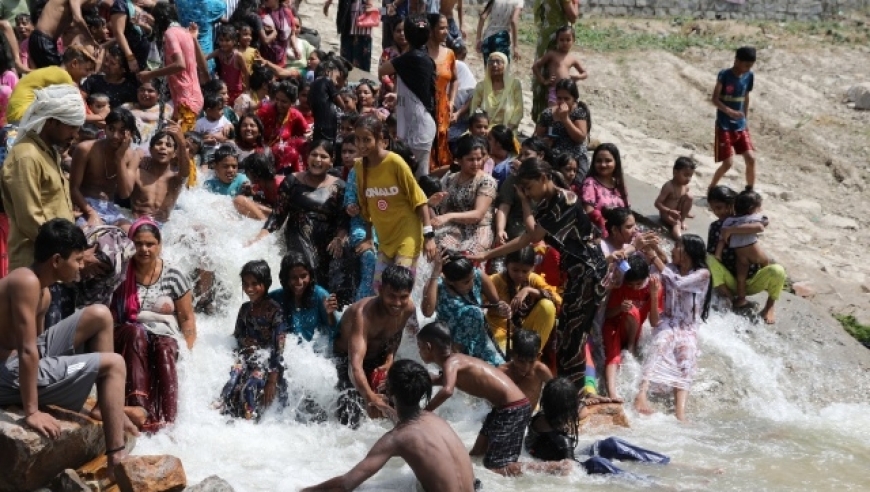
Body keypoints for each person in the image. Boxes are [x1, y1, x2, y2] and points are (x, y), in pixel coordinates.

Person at [0, 219, 133, 478]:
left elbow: (38, 347)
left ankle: (102, 407)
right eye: (78, 260)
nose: (82, 266)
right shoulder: (25, 282)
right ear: (57, 260)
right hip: (5, 372)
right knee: (115, 363)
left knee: (100, 314)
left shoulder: (44, 290)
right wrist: (32, 411)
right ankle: (116, 456)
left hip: (17, 363)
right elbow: (29, 352)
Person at [470, 159, 608, 394]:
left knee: (573, 337)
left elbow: (531, 237)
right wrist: (524, 202)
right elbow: (530, 232)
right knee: (566, 335)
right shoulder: (547, 204)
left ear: (544, 179)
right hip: (576, 274)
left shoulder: (564, 201)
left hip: (589, 273)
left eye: (528, 186)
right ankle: (572, 393)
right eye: (522, 188)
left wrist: (487, 253)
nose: (526, 192)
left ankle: (575, 394)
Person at [301, 360, 478, 492]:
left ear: (390, 390)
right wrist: (385, 408)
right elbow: (408, 424)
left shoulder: (396, 439)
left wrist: (302, 490)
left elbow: (345, 485)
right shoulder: (437, 421)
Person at [419, 320, 552, 477]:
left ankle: (553, 468)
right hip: (503, 408)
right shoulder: (455, 361)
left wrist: (424, 413)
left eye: (419, 347)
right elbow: (441, 381)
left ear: (428, 347)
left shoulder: (452, 362)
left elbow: (447, 390)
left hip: (513, 409)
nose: (419, 351)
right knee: (476, 455)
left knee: (497, 467)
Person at [111, 217, 197, 432]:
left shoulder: (174, 275)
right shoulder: (120, 272)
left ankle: (167, 422)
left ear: (159, 245)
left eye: (150, 244)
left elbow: (186, 318)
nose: (144, 249)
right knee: (136, 333)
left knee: (164, 348)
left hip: (163, 333)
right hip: (127, 333)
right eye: (138, 243)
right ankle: (138, 408)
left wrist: (188, 350)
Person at [250, 140, 355, 305]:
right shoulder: (292, 181)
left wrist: (340, 239)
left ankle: (332, 310)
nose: (318, 160)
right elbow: (278, 214)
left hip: (327, 240)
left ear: (331, 161)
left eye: (323, 156)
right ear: (307, 157)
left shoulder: (340, 186)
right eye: (314, 155)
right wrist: (261, 235)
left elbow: (343, 220)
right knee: (306, 268)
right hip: (298, 234)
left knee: (337, 268)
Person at [1, 84, 84, 270]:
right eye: (71, 127)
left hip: (56, 264)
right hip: (35, 264)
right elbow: (30, 219)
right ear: (52, 121)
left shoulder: (49, 152)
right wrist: (68, 251)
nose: (75, 135)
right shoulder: (27, 156)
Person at [351, 115, 437, 290]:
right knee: (379, 289)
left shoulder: (395, 162)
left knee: (400, 286)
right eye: (357, 139)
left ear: (380, 139)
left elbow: (420, 200)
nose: (361, 145)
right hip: (385, 237)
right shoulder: (359, 167)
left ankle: (410, 317)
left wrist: (429, 237)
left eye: (366, 140)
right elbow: (365, 205)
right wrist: (368, 238)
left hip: (407, 232)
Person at [634, 234, 711, 422]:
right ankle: (641, 393)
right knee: (660, 344)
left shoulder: (702, 274)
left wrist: (655, 257)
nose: (673, 249)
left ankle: (680, 412)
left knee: (688, 354)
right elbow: (652, 274)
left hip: (688, 327)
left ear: (688, 253)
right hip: (667, 320)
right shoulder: (670, 268)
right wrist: (651, 251)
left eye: (677, 246)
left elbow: (677, 282)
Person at [333, 264, 417, 427]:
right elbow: (354, 366)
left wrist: (390, 358)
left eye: (403, 297)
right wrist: (370, 397)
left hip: (379, 355)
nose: (397, 303)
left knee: (400, 404)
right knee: (350, 418)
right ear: (380, 289)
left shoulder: (408, 309)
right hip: (347, 358)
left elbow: (396, 333)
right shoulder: (363, 315)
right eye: (391, 296)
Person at [217, 260, 287, 421]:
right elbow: (237, 336)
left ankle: (251, 421)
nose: (249, 289)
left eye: (255, 284)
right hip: (247, 357)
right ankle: (222, 419)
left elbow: (279, 348)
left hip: (266, 362)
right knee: (231, 381)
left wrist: (272, 380)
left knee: (250, 388)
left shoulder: (275, 311)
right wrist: (244, 342)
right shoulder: (245, 309)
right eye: (245, 284)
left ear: (266, 283)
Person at [706, 186, 784, 325]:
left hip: (751, 279)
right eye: (714, 209)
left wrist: (732, 230)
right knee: (707, 259)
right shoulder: (715, 227)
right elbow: (713, 253)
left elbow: (763, 223)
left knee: (777, 270)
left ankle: (769, 306)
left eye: (720, 207)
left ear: (732, 204)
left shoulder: (748, 219)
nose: (718, 212)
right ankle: (730, 297)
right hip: (729, 280)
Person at [422, 251, 507, 366]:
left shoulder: (478, 275)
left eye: (472, 278)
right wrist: (435, 274)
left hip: (477, 342)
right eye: (466, 282)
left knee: (503, 368)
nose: (472, 284)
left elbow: (496, 305)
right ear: (449, 281)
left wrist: (504, 309)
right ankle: (453, 360)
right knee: (473, 312)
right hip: (449, 344)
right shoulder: (438, 284)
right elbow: (427, 312)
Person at [378, 16, 436, 176]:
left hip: (419, 129)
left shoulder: (410, 57)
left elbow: (382, 70)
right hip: (418, 125)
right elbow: (418, 91)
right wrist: (399, 98)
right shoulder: (424, 56)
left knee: (413, 176)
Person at [69, 107, 141, 230]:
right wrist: (91, 213)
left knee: (133, 234)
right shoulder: (85, 149)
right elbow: (73, 188)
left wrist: (120, 159)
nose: (115, 136)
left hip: (110, 208)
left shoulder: (132, 156)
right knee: (93, 233)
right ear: (105, 128)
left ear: (131, 134)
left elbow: (125, 194)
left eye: (122, 131)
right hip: (84, 205)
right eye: (111, 129)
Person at [602, 254, 662, 400]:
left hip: (633, 330)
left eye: (638, 284)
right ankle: (612, 393)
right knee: (613, 355)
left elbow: (654, 323)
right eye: (630, 285)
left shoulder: (654, 287)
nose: (634, 288)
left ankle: (630, 347)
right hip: (614, 326)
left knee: (633, 311)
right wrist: (619, 308)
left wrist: (654, 296)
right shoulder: (620, 285)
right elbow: (608, 315)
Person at [139, 3, 203, 136]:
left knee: (182, 144)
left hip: (186, 100)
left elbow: (180, 64)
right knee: (174, 141)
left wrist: (150, 74)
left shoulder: (170, 33)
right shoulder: (185, 32)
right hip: (189, 98)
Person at [487, 247, 561, 352]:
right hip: (500, 331)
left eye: (525, 271)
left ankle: (533, 354)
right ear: (507, 265)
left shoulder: (533, 279)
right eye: (515, 270)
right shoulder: (494, 281)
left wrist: (529, 290)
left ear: (532, 268)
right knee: (505, 356)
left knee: (547, 305)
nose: (520, 275)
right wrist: (496, 305)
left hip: (525, 330)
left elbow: (558, 300)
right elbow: (475, 303)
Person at [433, 135, 497, 256]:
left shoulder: (486, 182)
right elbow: (439, 205)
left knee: (458, 259)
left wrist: (449, 216)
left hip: (476, 231)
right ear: (459, 160)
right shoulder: (450, 178)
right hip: (452, 227)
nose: (476, 163)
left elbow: (478, 215)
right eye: (470, 159)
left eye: (479, 159)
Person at [714, 190, 772, 314]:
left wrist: (718, 253)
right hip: (753, 250)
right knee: (765, 262)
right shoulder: (753, 218)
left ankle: (741, 299)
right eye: (758, 207)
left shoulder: (729, 221)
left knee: (741, 278)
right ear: (752, 208)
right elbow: (761, 226)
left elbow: (721, 240)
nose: (759, 210)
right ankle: (765, 284)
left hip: (740, 254)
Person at [6, 45, 96, 124]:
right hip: (22, 117)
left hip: (14, 116)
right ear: (74, 63)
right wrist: (100, 117)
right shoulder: (63, 76)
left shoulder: (53, 71)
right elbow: (78, 110)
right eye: (87, 70)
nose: (87, 75)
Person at [709, 46, 757, 192]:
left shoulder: (749, 76)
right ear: (736, 61)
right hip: (724, 125)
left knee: (751, 159)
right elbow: (715, 99)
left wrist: (745, 119)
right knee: (728, 163)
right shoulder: (724, 75)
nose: (748, 68)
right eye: (746, 65)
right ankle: (711, 188)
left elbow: (746, 97)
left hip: (740, 125)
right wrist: (729, 111)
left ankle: (749, 190)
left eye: (751, 66)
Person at [268, 252, 337, 350]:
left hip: (316, 355)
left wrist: (330, 314)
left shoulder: (320, 295)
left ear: (310, 276)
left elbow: (334, 330)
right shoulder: (275, 297)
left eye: (304, 276)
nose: (299, 282)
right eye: (293, 277)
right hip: (289, 354)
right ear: (285, 279)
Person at [128, 122, 190, 224]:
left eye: (168, 145)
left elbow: (185, 172)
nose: (163, 147)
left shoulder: (174, 179)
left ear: (174, 154)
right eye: (159, 143)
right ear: (150, 150)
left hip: (163, 226)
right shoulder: (138, 173)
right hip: (137, 223)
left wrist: (181, 142)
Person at [531, 0, 579, 121]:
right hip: (556, 36)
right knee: (554, 78)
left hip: (545, 36)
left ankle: (541, 123)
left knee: (546, 79)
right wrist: (576, 3)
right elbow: (573, 17)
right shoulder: (560, 44)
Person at [535, 78, 591, 176]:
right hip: (553, 157)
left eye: (566, 98)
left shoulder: (578, 112)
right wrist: (545, 141)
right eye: (559, 98)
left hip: (575, 158)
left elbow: (580, 138)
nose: (562, 102)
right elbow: (537, 135)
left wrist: (565, 119)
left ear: (574, 99)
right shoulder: (548, 114)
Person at [427, 13, 458, 176]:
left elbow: (454, 80)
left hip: (443, 109)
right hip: (425, 108)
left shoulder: (449, 54)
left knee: (442, 144)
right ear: (431, 30)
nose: (446, 31)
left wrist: (452, 101)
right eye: (441, 28)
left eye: (447, 27)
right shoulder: (421, 53)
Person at [27, 0, 99, 69]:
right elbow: (77, 19)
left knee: (49, 77)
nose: (93, 6)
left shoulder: (68, 6)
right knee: (61, 73)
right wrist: (91, 40)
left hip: (42, 39)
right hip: (43, 39)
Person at [256, 80, 306, 173]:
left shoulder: (295, 115)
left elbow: (306, 133)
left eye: (284, 102)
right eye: (277, 99)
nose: (279, 104)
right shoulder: (265, 112)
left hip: (283, 158)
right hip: (261, 155)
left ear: (292, 102)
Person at [532, 25, 587, 109]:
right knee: (553, 113)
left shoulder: (572, 58)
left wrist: (577, 77)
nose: (565, 43)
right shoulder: (552, 54)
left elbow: (585, 73)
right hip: (554, 90)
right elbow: (535, 67)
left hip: (568, 92)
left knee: (569, 112)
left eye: (568, 40)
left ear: (573, 40)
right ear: (556, 41)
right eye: (561, 40)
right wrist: (543, 81)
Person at [499, 329, 553, 410]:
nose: (526, 367)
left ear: (538, 356)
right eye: (521, 361)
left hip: (529, 417)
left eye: (531, 362)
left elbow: (555, 392)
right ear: (512, 354)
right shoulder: (502, 373)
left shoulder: (541, 371)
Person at [582, 143, 629, 236]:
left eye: (608, 161)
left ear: (616, 162)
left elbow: (628, 214)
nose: (603, 165)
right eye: (599, 161)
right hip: (602, 235)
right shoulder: (590, 183)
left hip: (622, 235)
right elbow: (589, 214)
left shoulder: (620, 185)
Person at [469, 52, 523, 131]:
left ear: (505, 65)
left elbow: (519, 111)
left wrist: (506, 131)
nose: (494, 65)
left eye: (498, 62)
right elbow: (473, 111)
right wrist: (483, 130)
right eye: (491, 62)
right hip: (483, 131)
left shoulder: (514, 85)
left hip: (506, 131)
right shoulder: (481, 86)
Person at [121, 81, 173, 154]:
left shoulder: (165, 108)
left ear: (159, 95)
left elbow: (153, 117)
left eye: (150, 91)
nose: (145, 93)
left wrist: (132, 113)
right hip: (126, 146)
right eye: (142, 90)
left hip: (153, 150)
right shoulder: (127, 106)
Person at [324, 0, 373, 72]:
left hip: (362, 19)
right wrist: (328, 3)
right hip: (347, 16)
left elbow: (370, 6)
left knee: (361, 57)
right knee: (346, 57)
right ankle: (346, 78)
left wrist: (370, 3)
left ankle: (361, 80)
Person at [655, 156, 697, 239]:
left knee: (689, 197)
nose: (688, 179)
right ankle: (680, 241)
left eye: (690, 176)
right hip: (667, 214)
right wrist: (669, 211)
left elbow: (684, 200)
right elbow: (657, 203)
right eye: (685, 175)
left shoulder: (685, 187)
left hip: (678, 212)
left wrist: (686, 212)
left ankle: (682, 220)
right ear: (675, 172)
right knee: (676, 223)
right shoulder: (669, 186)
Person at [233, 153, 284, 221]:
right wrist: (252, 193)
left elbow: (288, 213)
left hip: (284, 216)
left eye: (246, 172)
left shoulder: (282, 185)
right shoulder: (262, 184)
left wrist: (259, 207)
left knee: (240, 200)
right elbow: (270, 202)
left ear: (254, 174)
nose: (245, 174)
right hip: (275, 212)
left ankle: (264, 223)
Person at [208, 24, 249, 106]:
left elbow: (246, 73)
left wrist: (246, 91)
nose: (223, 43)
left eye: (227, 40)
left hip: (236, 92)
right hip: (223, 91)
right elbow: (205, 58)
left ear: (234, 41)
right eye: (221, 40)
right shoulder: (219, 52)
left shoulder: (238, 56)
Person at [378, 17, 409, 97]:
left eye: (405, 31)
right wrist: (393, 89)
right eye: (398, 31)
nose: (402, 34)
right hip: (388, 95)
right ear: (393, 33)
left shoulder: (414, 53)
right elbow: (382, 74)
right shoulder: (387, 52)